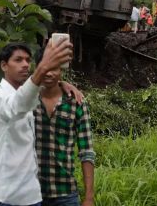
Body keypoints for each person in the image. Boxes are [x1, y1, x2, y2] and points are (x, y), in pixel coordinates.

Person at [0, 41, 73, 206]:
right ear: (4, 66)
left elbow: (33, 92)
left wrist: (62, 84)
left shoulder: (26, 93)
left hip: (32, 195)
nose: (25, 64)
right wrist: (42, 68)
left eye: (28, 60)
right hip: (6, 197)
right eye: (18, 60)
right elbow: (17, 105)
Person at [34, 55, 95, 206]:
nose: (49, 73)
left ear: (61, 69)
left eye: (54, 68)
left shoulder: (76, 103)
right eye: (45, 67)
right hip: (30, 193)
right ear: (37, 69)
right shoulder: (26, 101)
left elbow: (86, 151)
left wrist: (88, 197)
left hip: (65, 193)